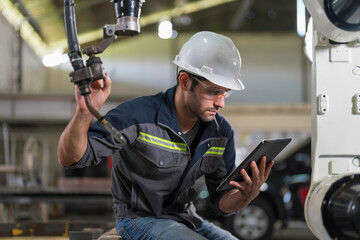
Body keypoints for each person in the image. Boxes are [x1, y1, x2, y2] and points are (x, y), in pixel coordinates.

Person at [57, 31, 273, 240]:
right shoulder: (138, 116)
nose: (220, 102)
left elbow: (220, 202)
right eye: (213, 91)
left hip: (186, 219)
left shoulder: (220, 132)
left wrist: (245, 195)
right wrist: (84, 111)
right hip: (138, 220)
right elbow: (71, 158)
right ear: (185, 81)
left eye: (225, 93)